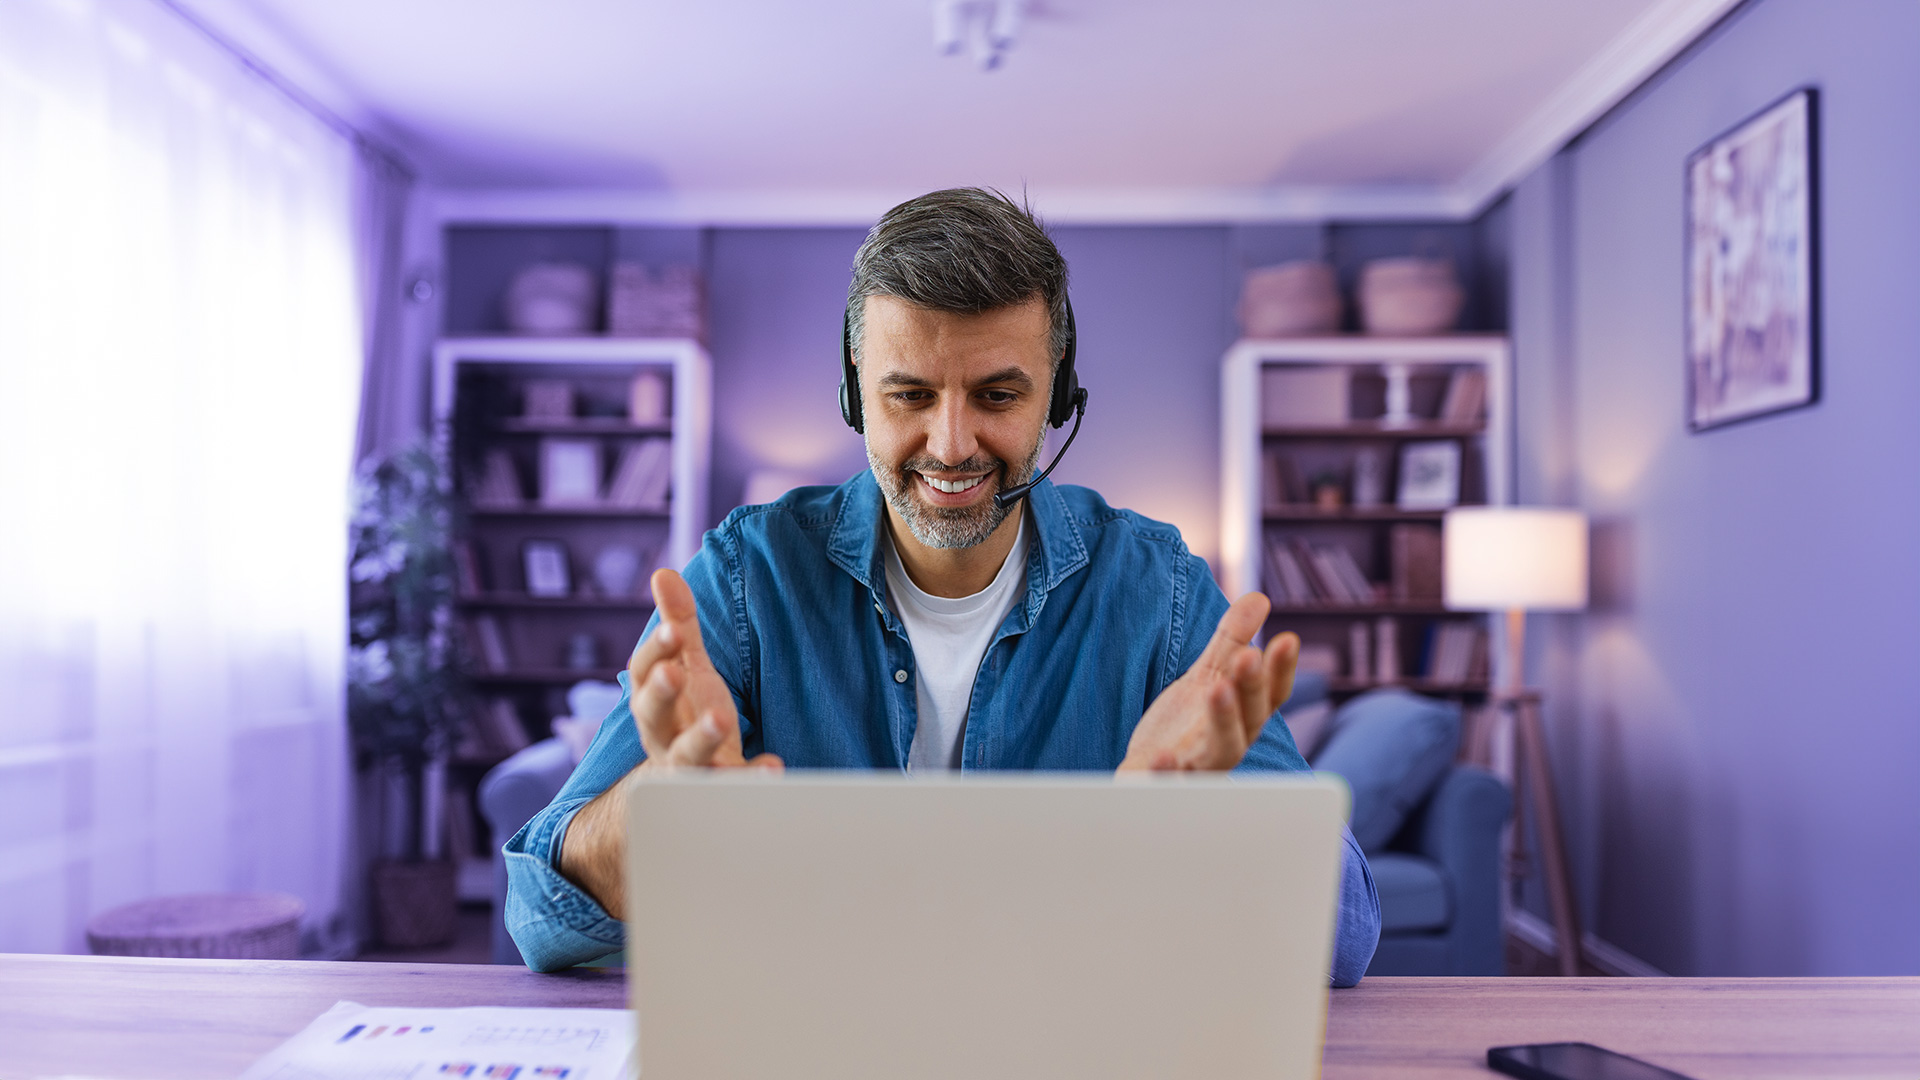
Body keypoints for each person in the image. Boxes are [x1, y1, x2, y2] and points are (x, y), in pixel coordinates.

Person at [504, 187, 1380, 983]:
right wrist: (660, 813)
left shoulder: (1163, 593)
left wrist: (1182, 831)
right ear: (855, 394)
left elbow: (1347, 936)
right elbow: (539, 919)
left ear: (1058, 395)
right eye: (910, 396)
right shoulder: (744, 579)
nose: (952, 444)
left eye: (998, 395)